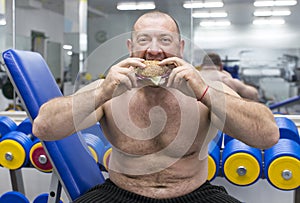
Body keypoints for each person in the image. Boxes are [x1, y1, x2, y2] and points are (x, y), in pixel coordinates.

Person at [32, 11, 279, 203]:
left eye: (165, 40)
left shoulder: (206, 89)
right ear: (130, 47)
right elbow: (43, 126)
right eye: (143, 40)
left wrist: (204, 92)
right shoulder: (108, 89)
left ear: (180, 48)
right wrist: (102, 91)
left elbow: (268, 135)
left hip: (195, 195)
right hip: (119, 194)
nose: (153, 50)